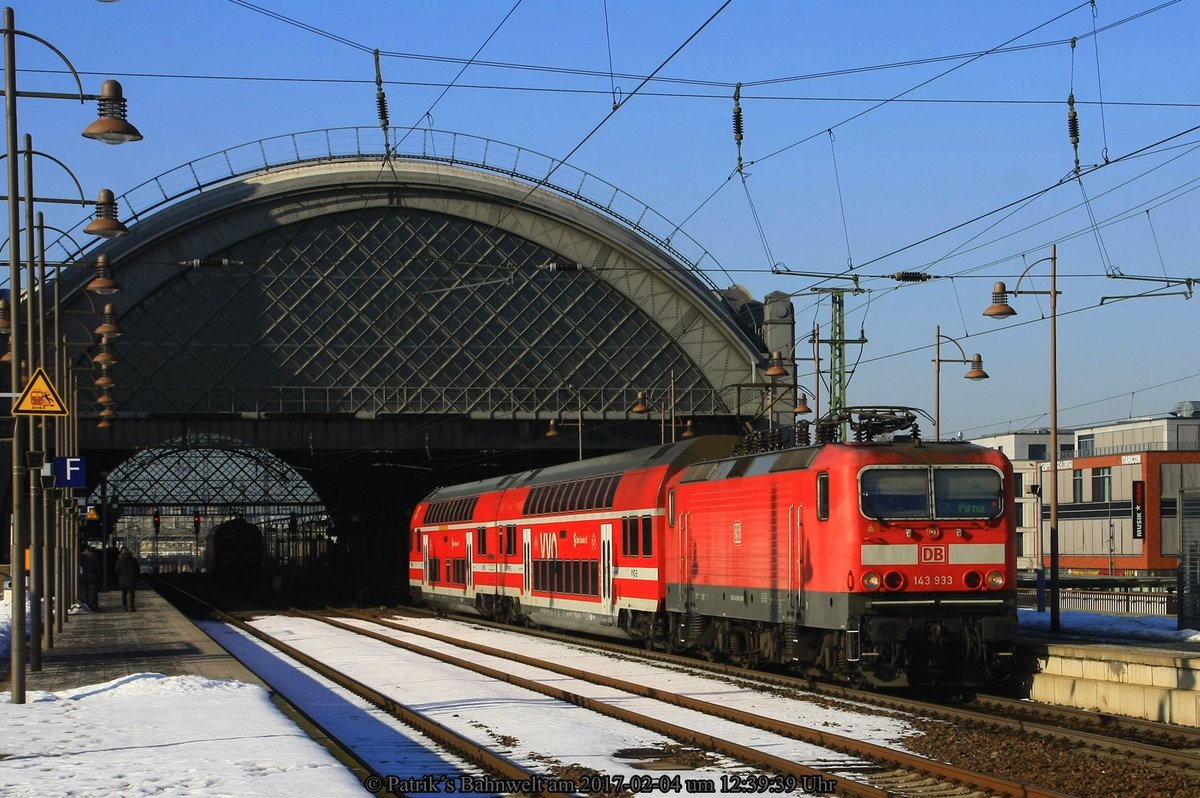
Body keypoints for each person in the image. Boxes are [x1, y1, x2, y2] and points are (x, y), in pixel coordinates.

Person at [115, 547, 141, 612]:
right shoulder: (134, 560)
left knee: (124, 594)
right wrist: (137, 578)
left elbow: (117, 570)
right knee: (132, 594)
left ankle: (125, 607)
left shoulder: (119, 561)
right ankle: (132, 607)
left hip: (122, 580)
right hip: (132, 579)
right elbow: (137, 570)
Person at [78, 544, 100, 611]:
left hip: (83, 575)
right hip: (92, 574)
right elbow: (97, 566)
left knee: (84, 590)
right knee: (92, 590)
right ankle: (92, 605)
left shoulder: (81, 555)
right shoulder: (93, 555)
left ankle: (86, 604)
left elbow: (79, 566)